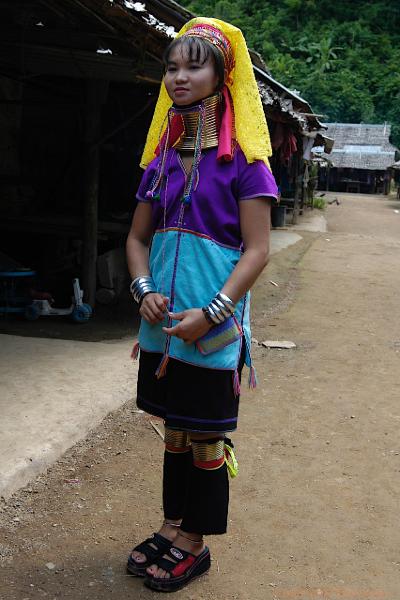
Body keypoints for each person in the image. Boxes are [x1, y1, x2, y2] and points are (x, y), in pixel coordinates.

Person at [125, 17, 278, 592]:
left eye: (194, 65)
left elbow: (258, 250)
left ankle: (197, 541)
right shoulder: (161, 163)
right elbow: (137, 239)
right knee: (175, 430)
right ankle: (171, 526)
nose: (179, 76)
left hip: (211, 331)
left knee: (208, 437)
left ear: (222, 75)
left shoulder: (245, 163)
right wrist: (142, 291)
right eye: (171, 66)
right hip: (164, 330)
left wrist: (213, 312)